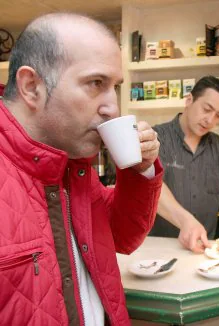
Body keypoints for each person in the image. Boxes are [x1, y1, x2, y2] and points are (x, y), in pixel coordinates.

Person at [0, 13, 163, 326]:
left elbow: (123, 236)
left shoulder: (72, 166)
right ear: (32, 86)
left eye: (114, 87)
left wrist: (140, 171)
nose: (112, 107)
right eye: (95, 83)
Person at [150, 76, 219, 252]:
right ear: (189, 100)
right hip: (159, 249)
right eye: (207, 109)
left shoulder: (218, 148)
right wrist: (186, 221)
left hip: (204, 249)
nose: (210, 120)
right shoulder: (156, 139)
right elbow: (152, 187)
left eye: (218, 116)